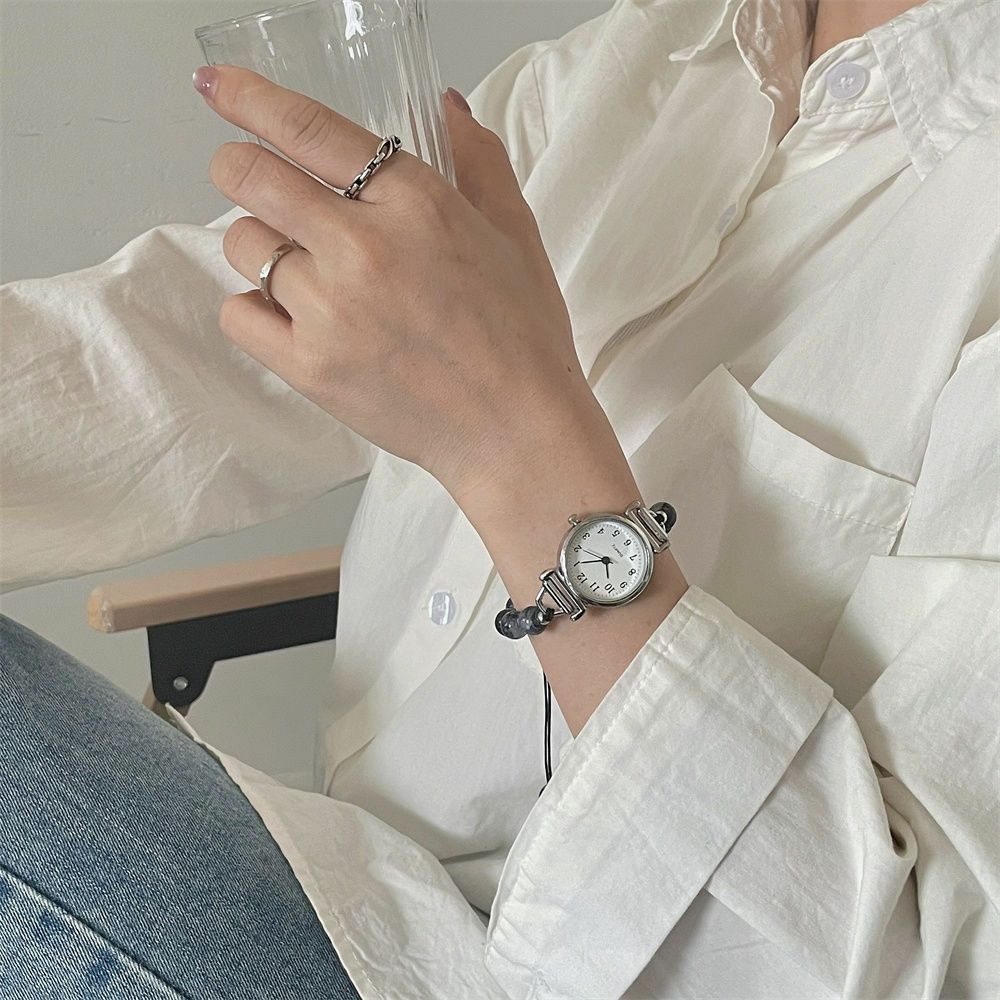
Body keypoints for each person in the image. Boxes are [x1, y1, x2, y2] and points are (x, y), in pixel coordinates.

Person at [1, 0, 997, 996]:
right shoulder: (634, 64)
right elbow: (178, 350)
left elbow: (921, 964)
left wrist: (509, 436)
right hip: (346, 878)